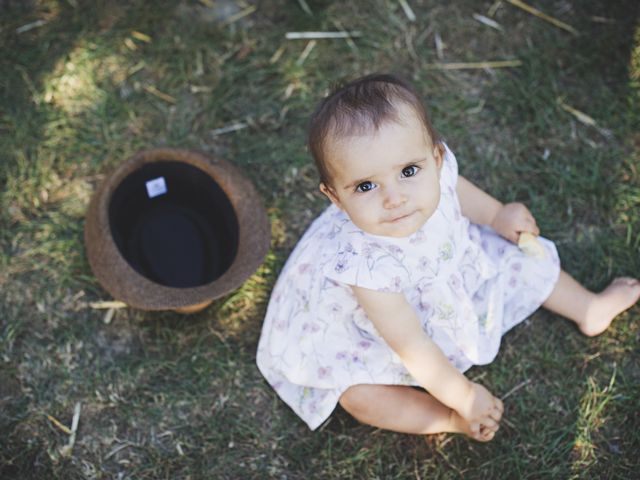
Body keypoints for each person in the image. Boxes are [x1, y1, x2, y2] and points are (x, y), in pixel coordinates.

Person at [256, 73, 640, 441]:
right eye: (365, 185)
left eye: (408, 170)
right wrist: (464, 397)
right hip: (376, 330)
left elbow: (456, 189)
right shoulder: (363, 266)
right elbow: (412, 345)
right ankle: (450, 421)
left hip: (446, 268)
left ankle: (588, 308)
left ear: (436, 158)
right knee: (359, 397)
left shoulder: (432, 174)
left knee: (517, 254)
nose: (394, 198)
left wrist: (495, 215)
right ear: (336, 197)